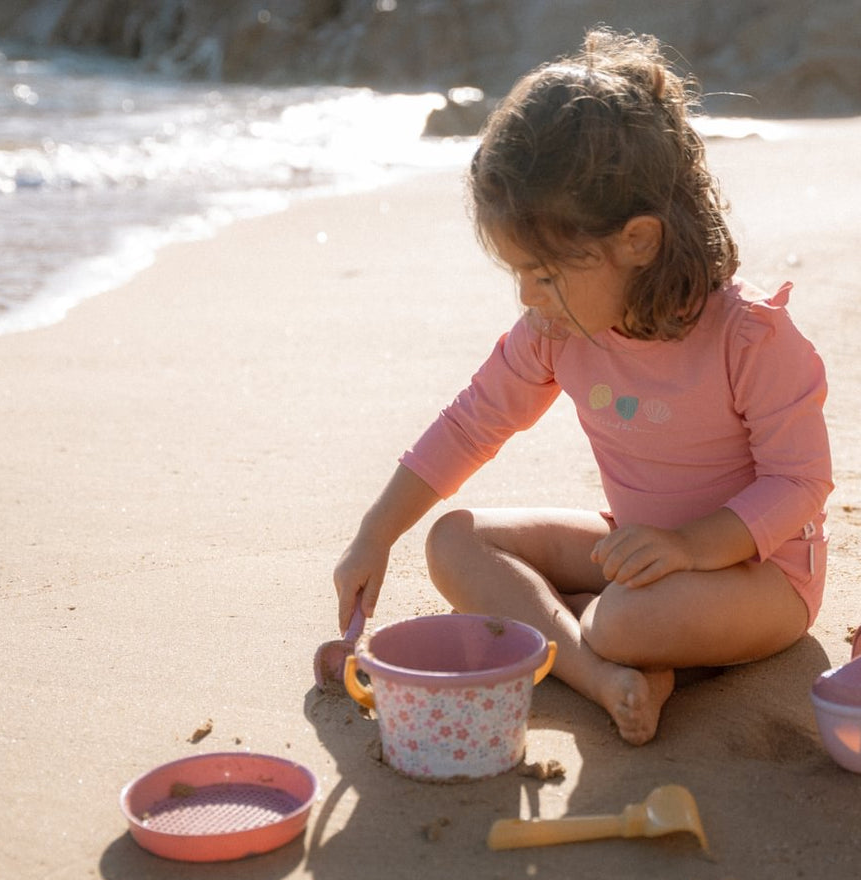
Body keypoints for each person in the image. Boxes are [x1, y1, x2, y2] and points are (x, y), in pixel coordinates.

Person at [332, 28, 832, 745]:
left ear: (636, 241)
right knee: (453, 541)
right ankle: (606, 674)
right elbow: (471, 424)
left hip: (762, 578)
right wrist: (373, 535)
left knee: (623, 617)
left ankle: (580, 639)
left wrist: (691, 546)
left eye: (544, 274)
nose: (528, 297)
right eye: (518, 275)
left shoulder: (748, 335)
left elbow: (799, 483)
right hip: (638, 549)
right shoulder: (556, 329)